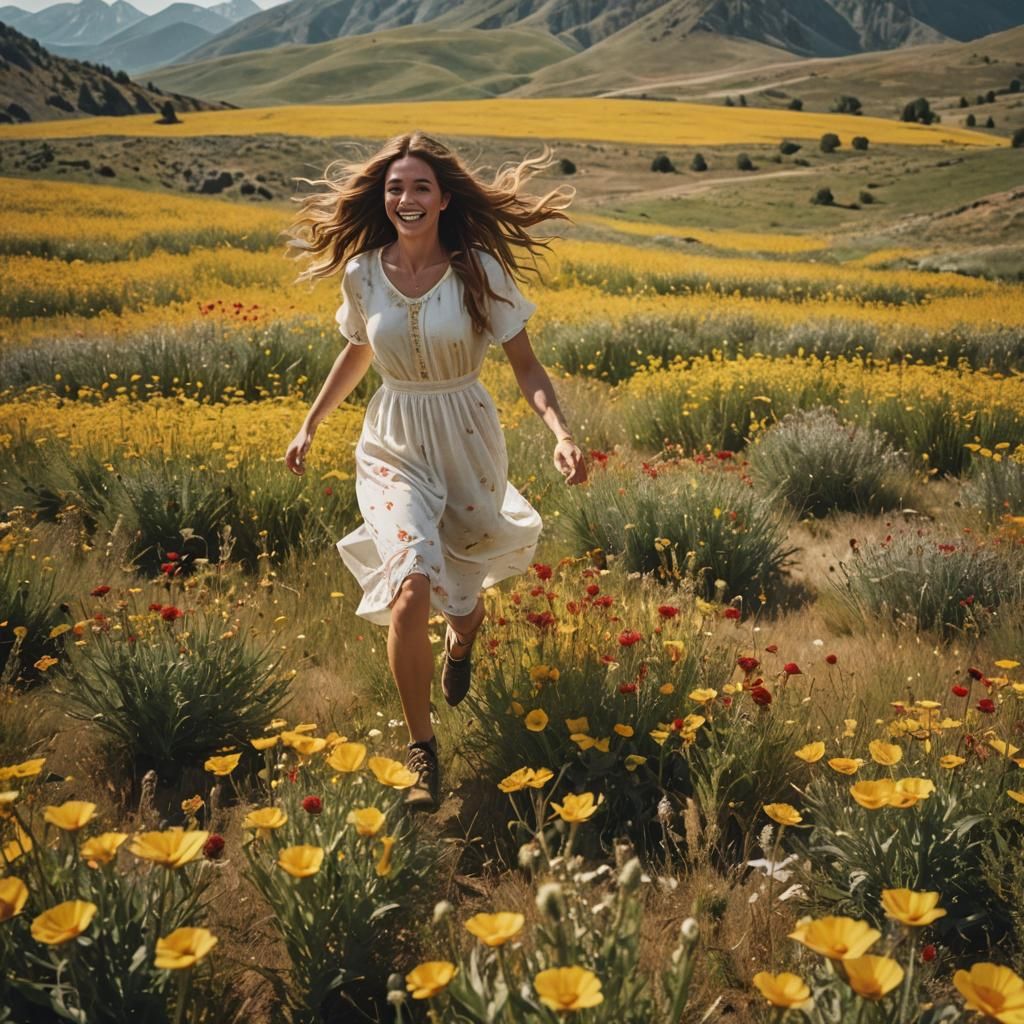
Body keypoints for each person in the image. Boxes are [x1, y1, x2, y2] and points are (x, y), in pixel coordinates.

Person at [283, 132, 587, 812]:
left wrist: (561, 433)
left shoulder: (478, 270)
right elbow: (357, 351)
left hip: (468, 439)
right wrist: (310, 423)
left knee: (463, 596)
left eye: (420, 187)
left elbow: (526, 366)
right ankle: (423, 753)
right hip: (392, 442)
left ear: (444, 199)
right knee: (411, 582)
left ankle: (462, 639)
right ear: (383, 199)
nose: (406, 198)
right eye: (395, 187)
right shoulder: (363, 273)